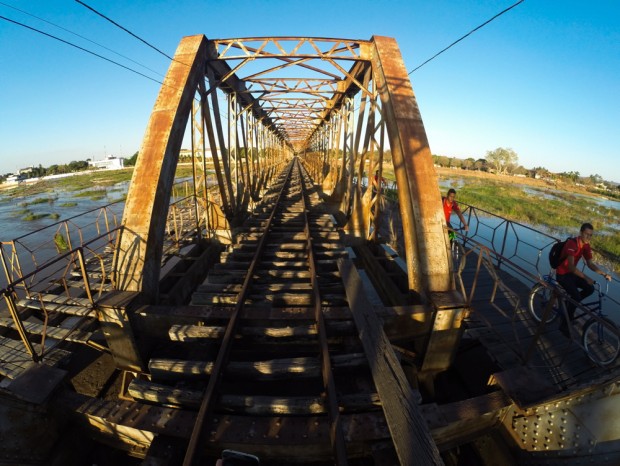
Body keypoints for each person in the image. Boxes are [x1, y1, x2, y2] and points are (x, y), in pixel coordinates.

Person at [555, 222, 612, 334]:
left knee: (589, 289)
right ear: (581, 233)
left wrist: (604, 274)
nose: (588, 237)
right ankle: (564, 324)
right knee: (576, 296)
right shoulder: (572, 244)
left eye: (591, 235)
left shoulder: (586, 246)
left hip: (571, 274)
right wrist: (586, 278)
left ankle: (569, 305)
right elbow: (571, 267)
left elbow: (590, 264)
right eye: (586, 234)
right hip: (562, 274)